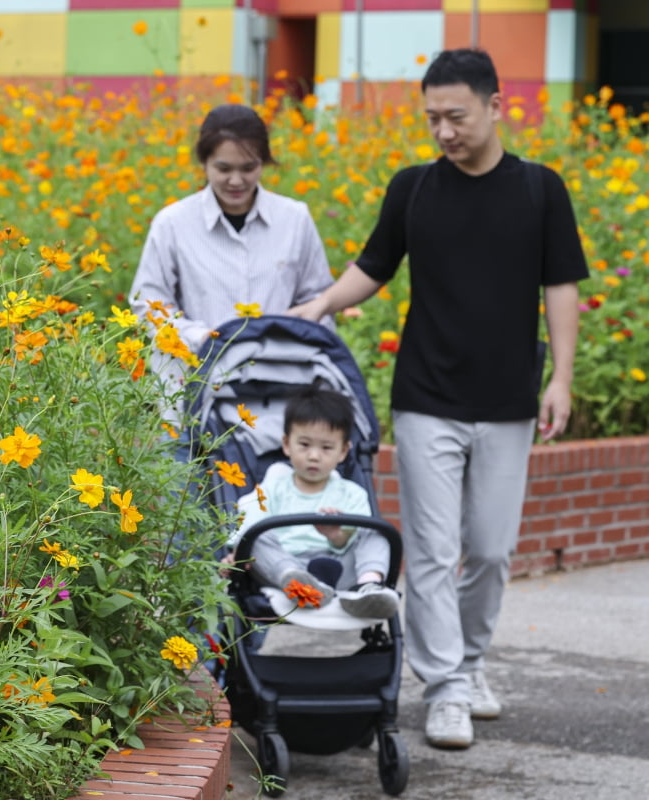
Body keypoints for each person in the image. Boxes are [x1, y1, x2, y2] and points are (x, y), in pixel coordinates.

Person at [288, 49, 588, 750]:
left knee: (489, 548)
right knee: (430, 549)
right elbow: (374, 267)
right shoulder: (413, 188)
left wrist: (562, 377)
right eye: (432, 119)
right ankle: (446, 686)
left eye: (455, 116)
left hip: (510, 398)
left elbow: (562, 288)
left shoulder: (541, 190)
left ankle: (472, 663)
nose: (443, 132)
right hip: (426, 395)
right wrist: (321, 306)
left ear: (494, 105)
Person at [129, 103, 334, 388]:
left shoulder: (294, 219)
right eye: (223, 168)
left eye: (248, 168)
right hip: (193, 388)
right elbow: (147, 307)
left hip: (279, 389)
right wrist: (202, 338)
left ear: (264, 162)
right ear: (204, 163)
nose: (236, 181)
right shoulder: (173, 223)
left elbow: (318, 301)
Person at [222, 386, 400, 620]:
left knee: (375, 532)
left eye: (326, 448)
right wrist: (238, 552)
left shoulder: (352, 493)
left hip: (338, 568)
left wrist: (337, 535)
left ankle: (368, 587)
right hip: (284, 568)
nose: (314, 456)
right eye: (304, 445)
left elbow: (357, 538)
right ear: (286, 444)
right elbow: (248, 516)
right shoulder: (273, 485)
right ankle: (298, 582)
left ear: (343, 451)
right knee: (255, 536)